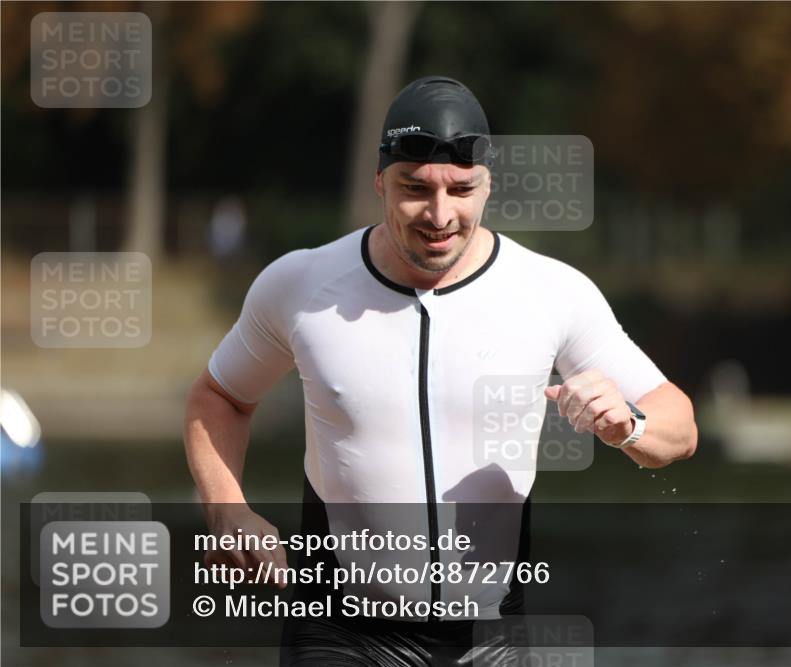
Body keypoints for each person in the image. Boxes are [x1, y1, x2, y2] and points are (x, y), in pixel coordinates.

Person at [183, 75, 697, 666]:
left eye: (461, 189)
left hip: (489, 639)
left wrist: (626, 425)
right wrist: (226, 507)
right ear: (379, 181)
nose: (440, 214)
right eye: (415, 188)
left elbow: (678, 428)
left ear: (488, 186)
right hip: (341, 633)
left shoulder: (552, 292)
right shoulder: (302, 285)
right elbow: (219, 396)